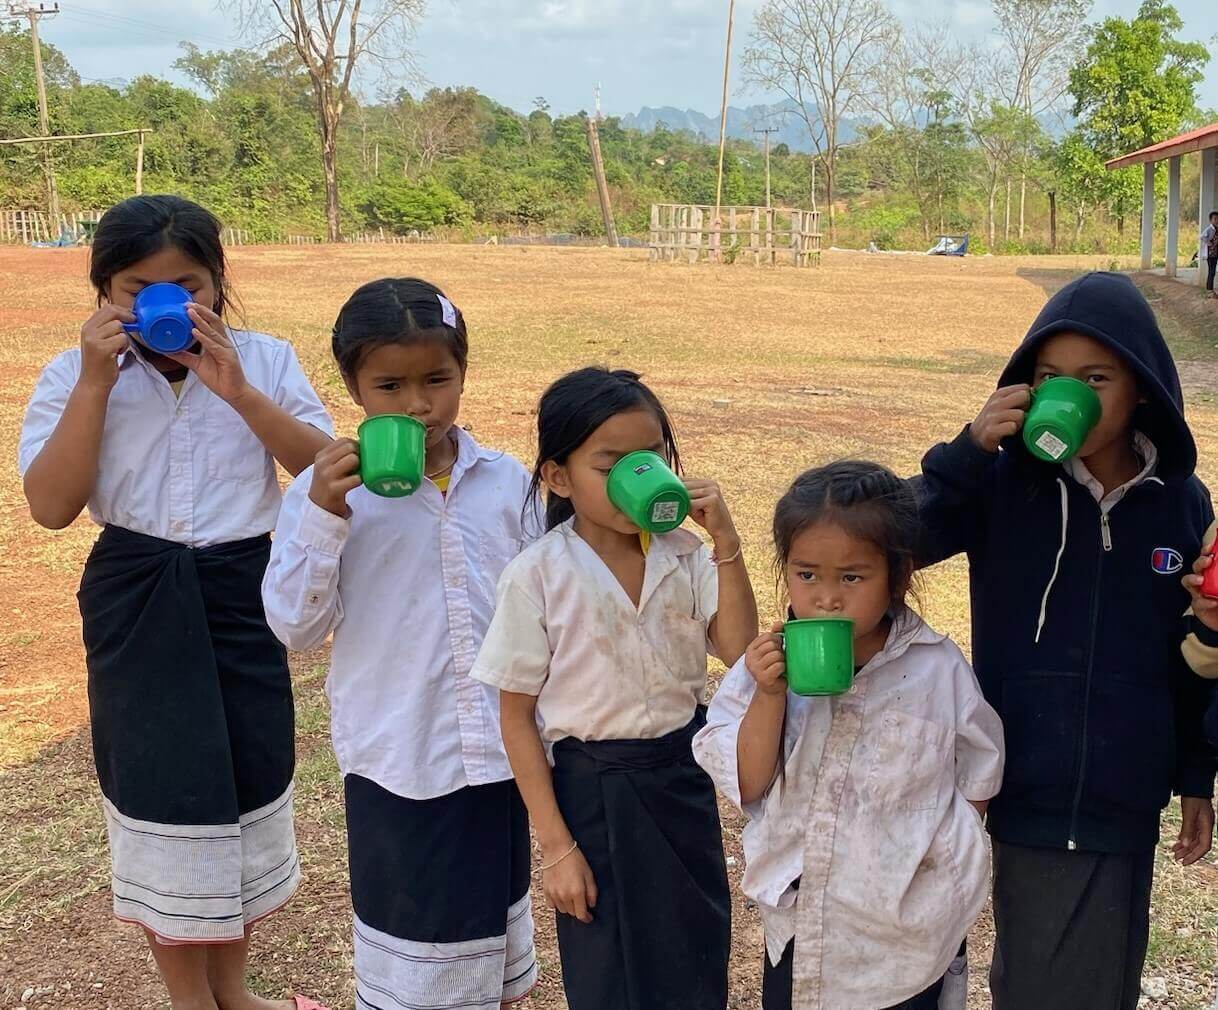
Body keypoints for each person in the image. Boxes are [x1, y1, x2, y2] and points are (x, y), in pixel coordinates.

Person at [17, 194, 333, 1010]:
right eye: (135, 289)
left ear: (220, 281)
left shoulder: (264, 359)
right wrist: (94, 383)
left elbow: (324, 471)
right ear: (104, 293)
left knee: (246, 782)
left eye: (187, 284)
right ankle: (191, 1002)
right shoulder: (72, 374)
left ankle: (235, 991)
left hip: (241, 589)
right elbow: (50, 508)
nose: (166, 305)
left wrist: (236, 390)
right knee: (162, 792)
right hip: (137, 593)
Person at [914, 271, 1217, 1010]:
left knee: (1105, 978)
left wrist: (1195, 777)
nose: (1069, 393)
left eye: (1095, 378)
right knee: (1037, 973)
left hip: (1126, 791)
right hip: (1025, 778)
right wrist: (965, 453)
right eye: (1050, 377)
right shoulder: (999, 484)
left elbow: (1195, 652)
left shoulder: (1181, 505)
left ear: (1142, 387)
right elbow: (893, 542)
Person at [261, 278, 539, 1010]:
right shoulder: (323, 496)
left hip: (502, 761)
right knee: (416, 976)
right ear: (352, 387)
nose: (419, 405)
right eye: (390, 385)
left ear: (463, 371)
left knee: (494, 950)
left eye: (437, 380)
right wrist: (325, 513)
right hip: (402, 766)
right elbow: (295, 627)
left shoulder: (509, 486)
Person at [470, 367, 758, 1010]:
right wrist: (556, 848)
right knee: (612, 976)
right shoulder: (537, 576)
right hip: (591, 793)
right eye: (612, 464)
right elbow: (515, 719)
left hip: (679, 781)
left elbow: (737, 649)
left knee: (695, 950)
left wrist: (728, 543)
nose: (640, 475)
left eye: (652, 457)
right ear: (558, 477)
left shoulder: (686, 553)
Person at [693, 461, 1003, 1010]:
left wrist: (944, 857)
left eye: (852, 577)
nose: (827, 598)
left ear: (899, 575)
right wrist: (769, 696)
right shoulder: (766, 666)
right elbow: (746, 782)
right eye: (806, 574)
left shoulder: (936, 670)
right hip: (800, 930)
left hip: (905, 937)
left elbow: (979, 767)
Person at [1203, 211, 1218, 293]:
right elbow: (1202, 236)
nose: (1216, 220)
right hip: (1210, 254)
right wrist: (1208, 242)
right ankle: (1209, 290)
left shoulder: (1217, 229)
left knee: (1213, 271)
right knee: (1211, 272)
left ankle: (1210, 290)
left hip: (1215, 253)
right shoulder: (1209, 229)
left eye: (1217, 219)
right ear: (1210, 220)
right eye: (1215, 219)